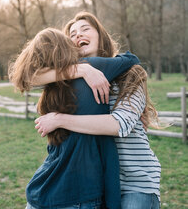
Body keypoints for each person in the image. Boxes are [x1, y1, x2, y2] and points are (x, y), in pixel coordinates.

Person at [33, 12, 161, 209]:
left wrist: (59, 119)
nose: (78, 35)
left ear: (101, 35)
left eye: (85, 29)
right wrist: (82, 70)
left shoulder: (130, 72)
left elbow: (121, 124)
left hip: (135, 182)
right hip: (98, 182)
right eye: (72, 34)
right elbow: (27, 78)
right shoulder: (67, 78)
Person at [9, 27, 139, 209]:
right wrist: (83, 68)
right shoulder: (94, 66)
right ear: (65, 46)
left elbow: (23, 76)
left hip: (44, 187)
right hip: (79, 191)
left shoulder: (52, 85)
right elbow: (131, 59)